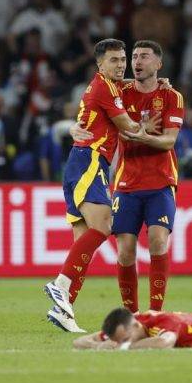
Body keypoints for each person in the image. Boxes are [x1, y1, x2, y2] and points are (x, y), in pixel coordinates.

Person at [43, 38, 143, 333]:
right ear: (99, 64)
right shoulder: (103, 88)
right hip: (90, 161)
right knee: (104, 226)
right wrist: (148, 129)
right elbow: (128, 127)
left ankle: (64, 309)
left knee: (82, 241)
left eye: (123, 59)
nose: (121, 65)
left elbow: (125, 89)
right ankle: (61, 284)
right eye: (114, 60)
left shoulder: (109, 86)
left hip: (81, 162)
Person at [109, 40, 184, 317]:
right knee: (126, 250)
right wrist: (143, 130)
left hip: (161, 181)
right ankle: (131, 314)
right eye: (135, 57)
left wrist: (140, 134)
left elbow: (168, 142)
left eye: (144, 57)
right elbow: (98, 86)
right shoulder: (121, 92)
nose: (137, 61)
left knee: (157, 240)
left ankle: (154, 313)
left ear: (158, 63)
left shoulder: (172, 97)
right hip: (127, 183)